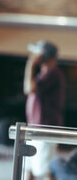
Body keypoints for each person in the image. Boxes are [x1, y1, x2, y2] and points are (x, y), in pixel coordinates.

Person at [24, 40, 65, 180]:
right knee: (29, 170)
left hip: (44, 129)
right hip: (35, 128)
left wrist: (31, 63)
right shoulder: (44, 74)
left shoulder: (53, 74)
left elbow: (29, 88)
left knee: (44, 171)